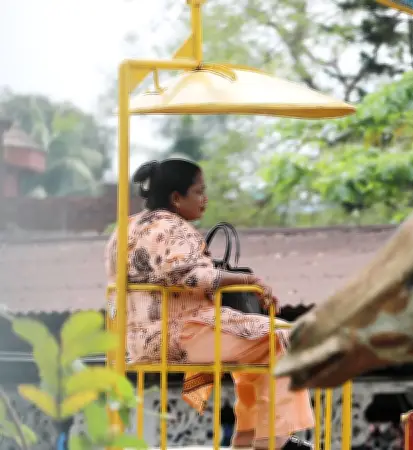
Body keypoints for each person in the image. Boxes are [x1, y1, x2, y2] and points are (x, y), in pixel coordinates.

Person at [105, 158, 314, 449]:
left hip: (138, 340)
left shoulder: (126, 228)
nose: (205, 199)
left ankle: (248, 436)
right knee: (283, 336)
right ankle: (271, 438)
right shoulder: (174, 228)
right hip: (182, 333)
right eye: (199, 192)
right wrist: (249, 280)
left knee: (257, 345)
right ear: (176, 198)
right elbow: (189, 275)